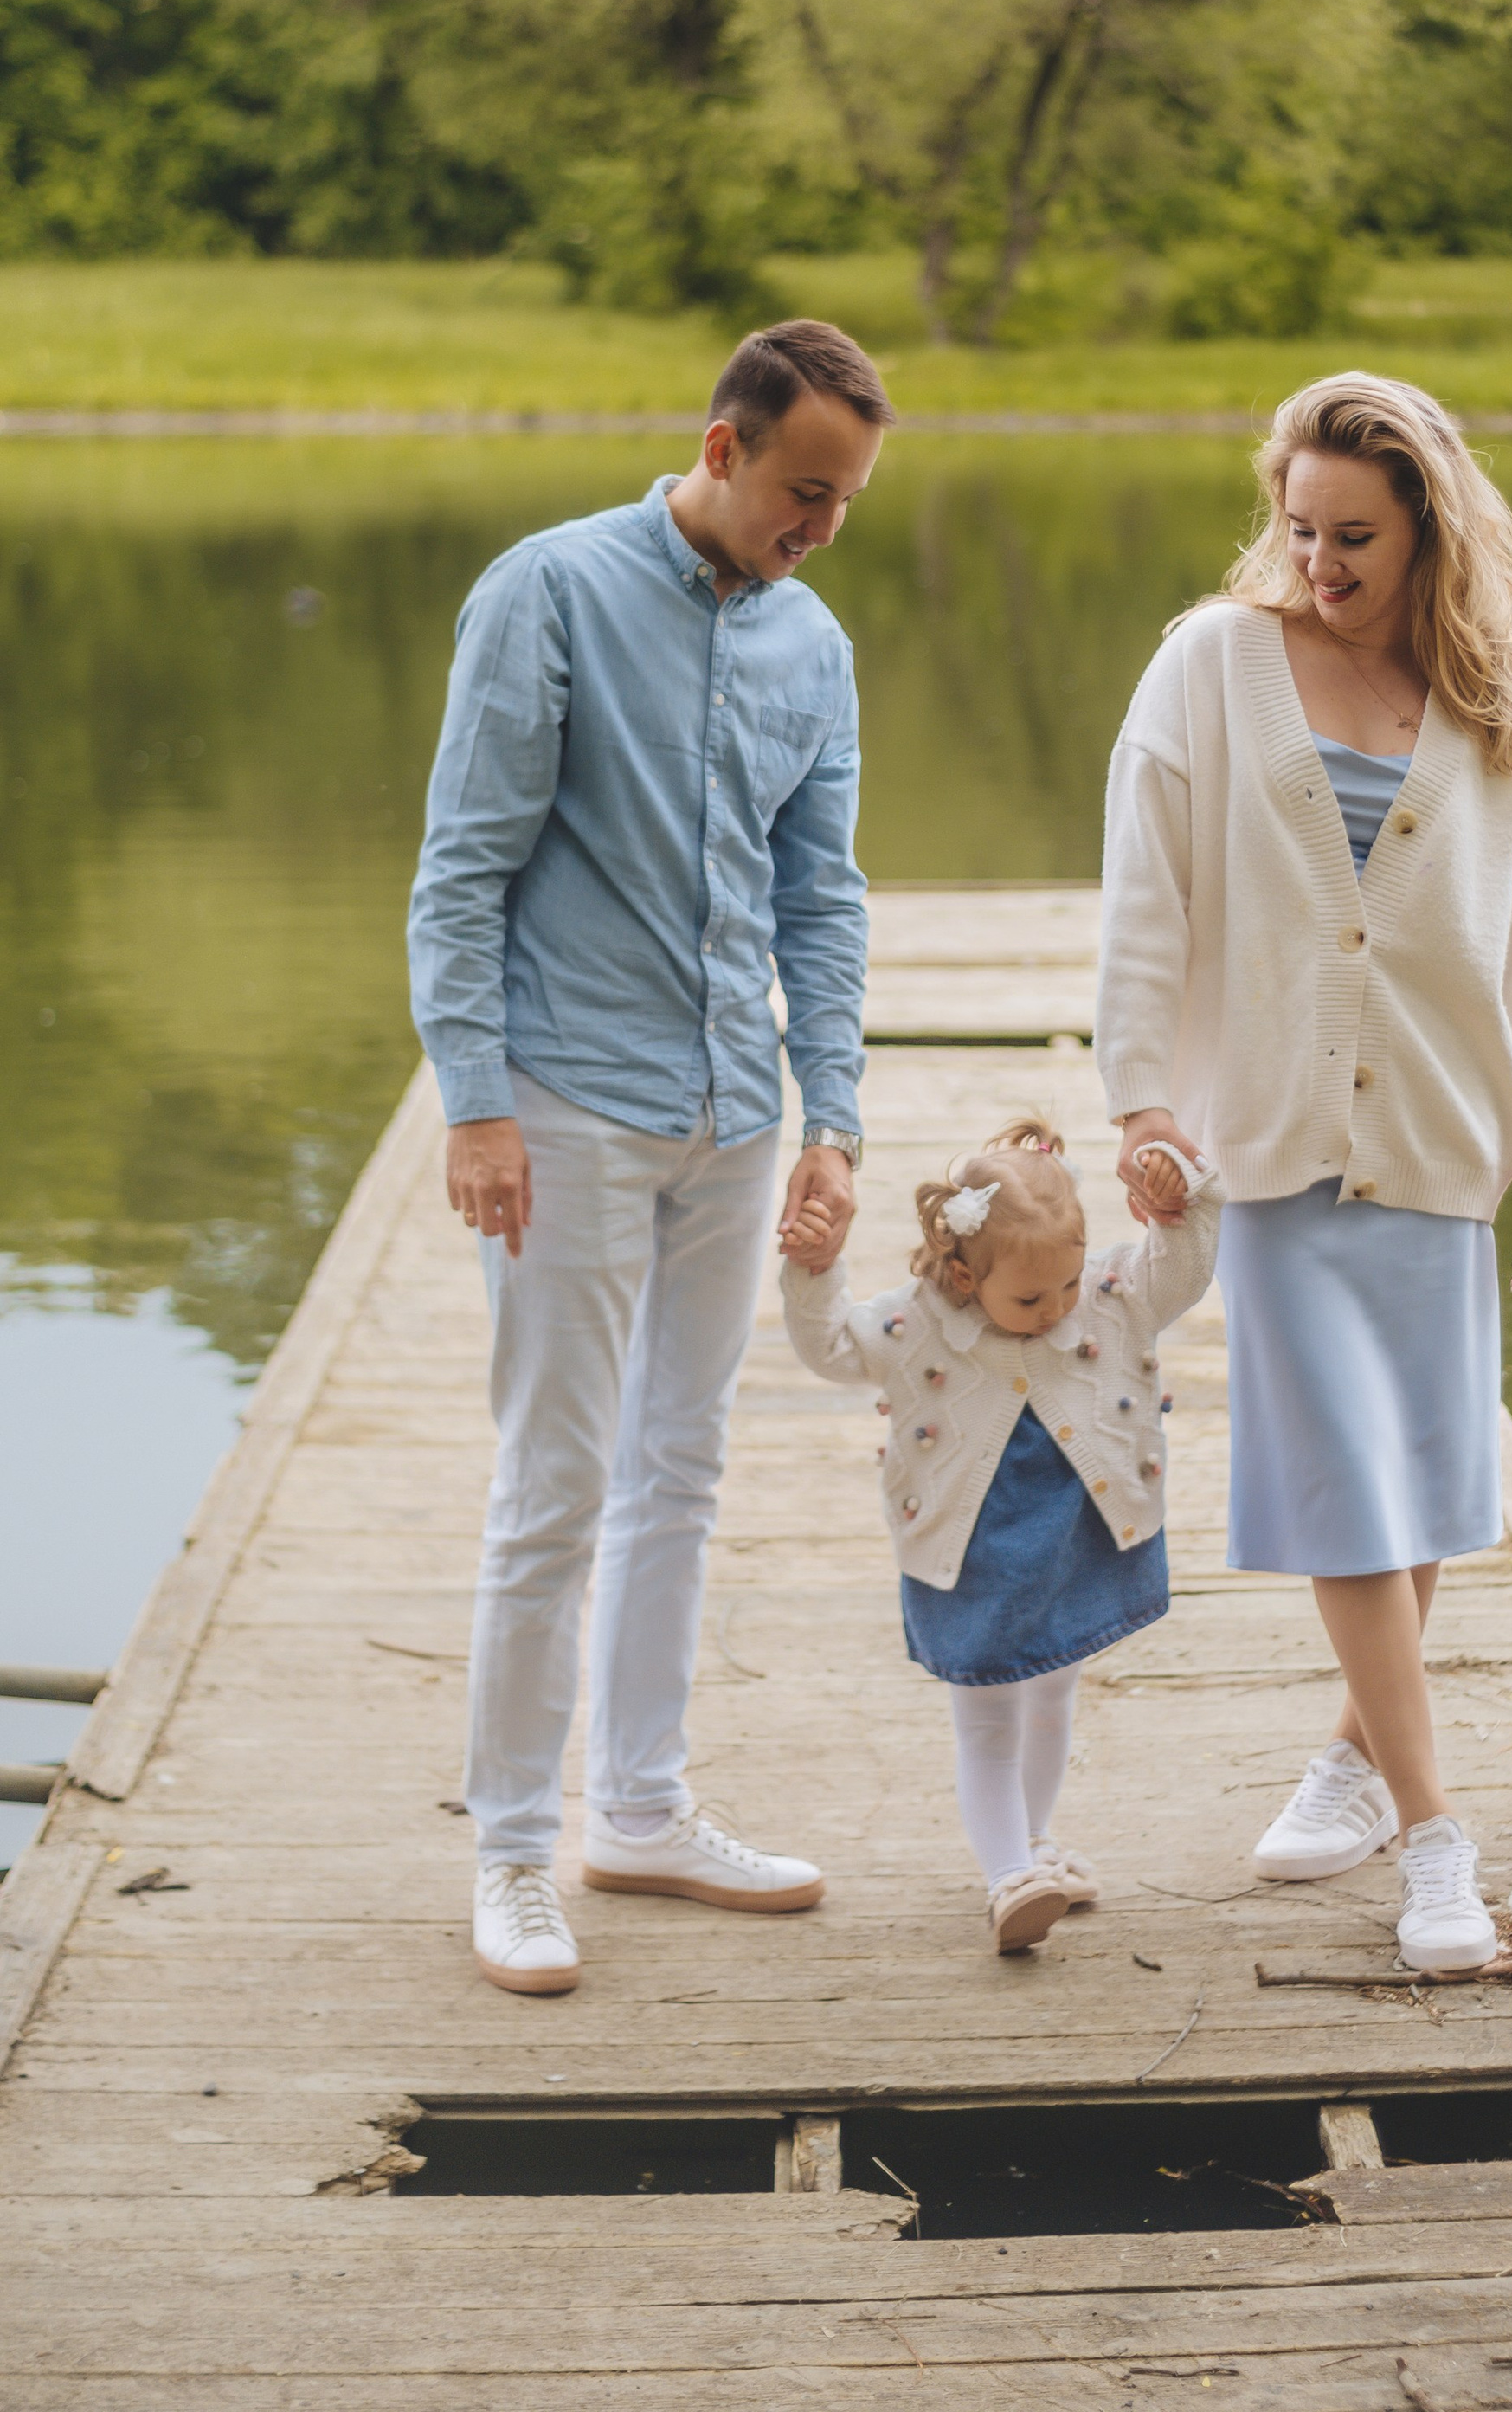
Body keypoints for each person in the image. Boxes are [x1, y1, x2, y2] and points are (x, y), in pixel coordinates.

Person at [407, 319, 893, 1997]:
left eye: (843, 501)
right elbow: (460, 871)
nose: (817, 525)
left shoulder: (812, 645)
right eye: (801, 490)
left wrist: (831, 1113)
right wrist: (473, 1101)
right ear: (721, 445)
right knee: (555, 1481)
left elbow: (819, 896)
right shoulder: (544, 592)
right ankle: (511, 1854)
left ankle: (641, 1807)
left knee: (681, 1469)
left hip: (730, 1116)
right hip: (565, 1107)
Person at [1096, 371, 1512, 1978]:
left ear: (1430, 523)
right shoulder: (1214, 664)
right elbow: (1147, 895)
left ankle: (1354, 1762)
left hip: (1444, 1137)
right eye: (1300, 528)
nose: (1320, 561)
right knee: (1355, 1493)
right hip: (1277, 1143)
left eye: (1356, 535)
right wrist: (1142, 1105)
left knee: (1427, 1472)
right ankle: (1440, 1843)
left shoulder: (1496, 701)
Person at [782, 1119, 1221, 1953]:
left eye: (1065, 1284)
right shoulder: (918, 1325)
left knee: (1052, 1696)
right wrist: (814, 1267)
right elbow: (833, 1343)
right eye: (1029, 1299)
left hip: (1073, 1532)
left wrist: (1183, 1205)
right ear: (960, 1273)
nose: (1056, 1310)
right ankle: (1006, 1873)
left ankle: (1033, 1842)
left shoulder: (1106, 1297)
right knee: (986, 1717)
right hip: (972, 1550)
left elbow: (1185, 1272)